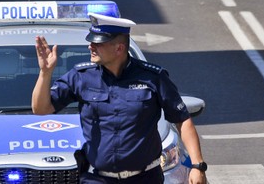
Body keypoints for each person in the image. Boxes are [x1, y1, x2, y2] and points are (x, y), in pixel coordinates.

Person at [32, 13, 207, 184]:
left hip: (145, 178)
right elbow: (41, 109)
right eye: (90, 41)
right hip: (97, 178)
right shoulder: (81, 77)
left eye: (97, 43)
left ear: (119, 48)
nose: (90, 46)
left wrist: (197, 165)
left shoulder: (153, 78)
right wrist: (45, 74)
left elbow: (182, 120)